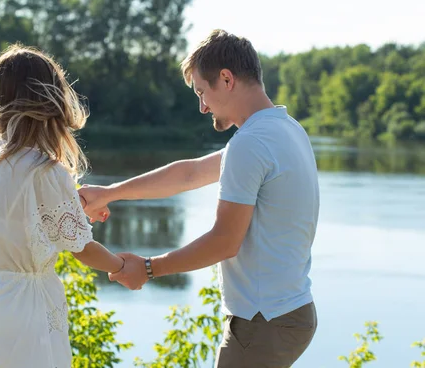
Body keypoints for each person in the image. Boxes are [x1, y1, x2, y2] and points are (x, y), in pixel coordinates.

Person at [78, 29, 320, 368]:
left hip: (263, 322)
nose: (202, 106)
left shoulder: (250, 144)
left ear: (226, 79)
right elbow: (190, 173)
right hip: (289, 312)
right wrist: (110, 193)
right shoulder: (286, 129)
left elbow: (224, 242)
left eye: (201, 92)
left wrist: (148, 268)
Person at [0, 44, 123, 368]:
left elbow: (16, 213)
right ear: (52, 100)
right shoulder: (45, 169)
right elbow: (81, 247)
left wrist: (71, 204)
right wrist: (121, 267)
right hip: (28, 307)